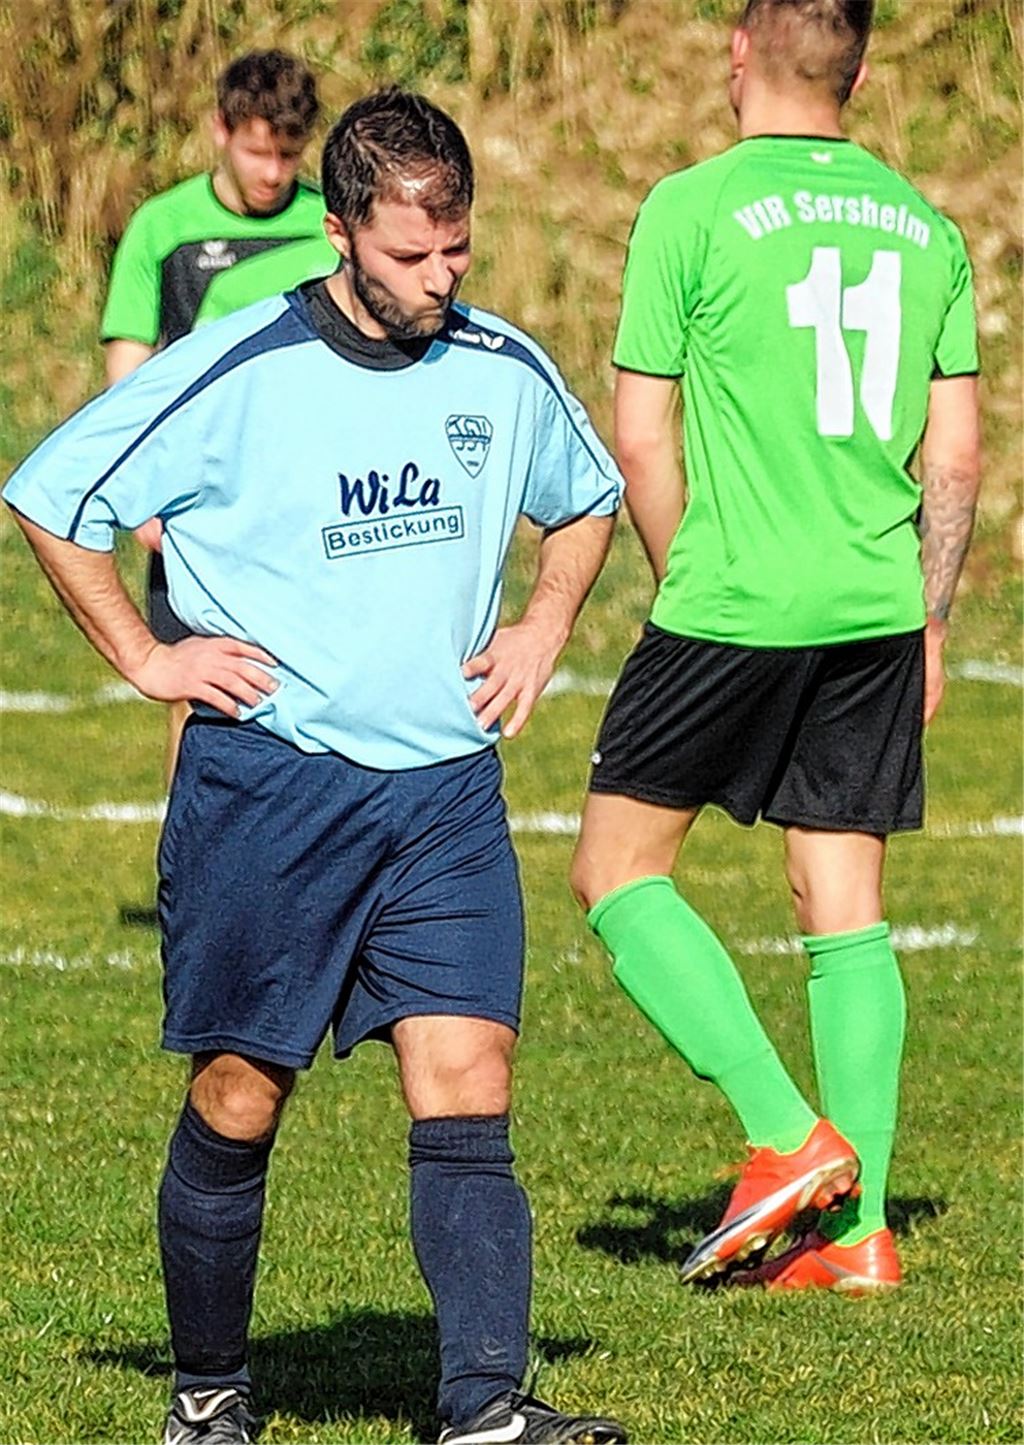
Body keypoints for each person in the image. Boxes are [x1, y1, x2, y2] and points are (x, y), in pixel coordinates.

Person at [5, 89, 628, 1445]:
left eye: (456, 250)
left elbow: (587, 499)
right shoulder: (238, 368)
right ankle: (210, 1389)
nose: (439, 279)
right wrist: (146, 657)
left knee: (471, 1080)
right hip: (274, 794)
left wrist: (542, 622)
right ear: (341, 230)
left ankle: (481, 1405)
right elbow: (53, 498)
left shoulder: (503, 366)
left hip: (446, 799)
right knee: (239, 1094)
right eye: (410, 256)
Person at [570, 0, 981, 1295]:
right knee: (842, 908)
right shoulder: (929, 229)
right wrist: (930, 620)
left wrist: (692, 571)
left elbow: (641, 438)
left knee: (614, 869)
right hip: (873, 602)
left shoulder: (689, 209)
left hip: (732, 597)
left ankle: (781, 1132)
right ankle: (859, 1240)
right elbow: (957, 458)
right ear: (858, 69)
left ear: (739, 53)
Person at [102, 48, 336, 779]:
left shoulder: (328, 223)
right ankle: (195, 872)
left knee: (315, 679)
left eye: (289, 154)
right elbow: (129, 369)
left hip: (309, 489)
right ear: (220, 131)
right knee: (198, 688)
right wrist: (138, 490)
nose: (273, 173)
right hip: (201, 494)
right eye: (257, 151)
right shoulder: (161, 226)